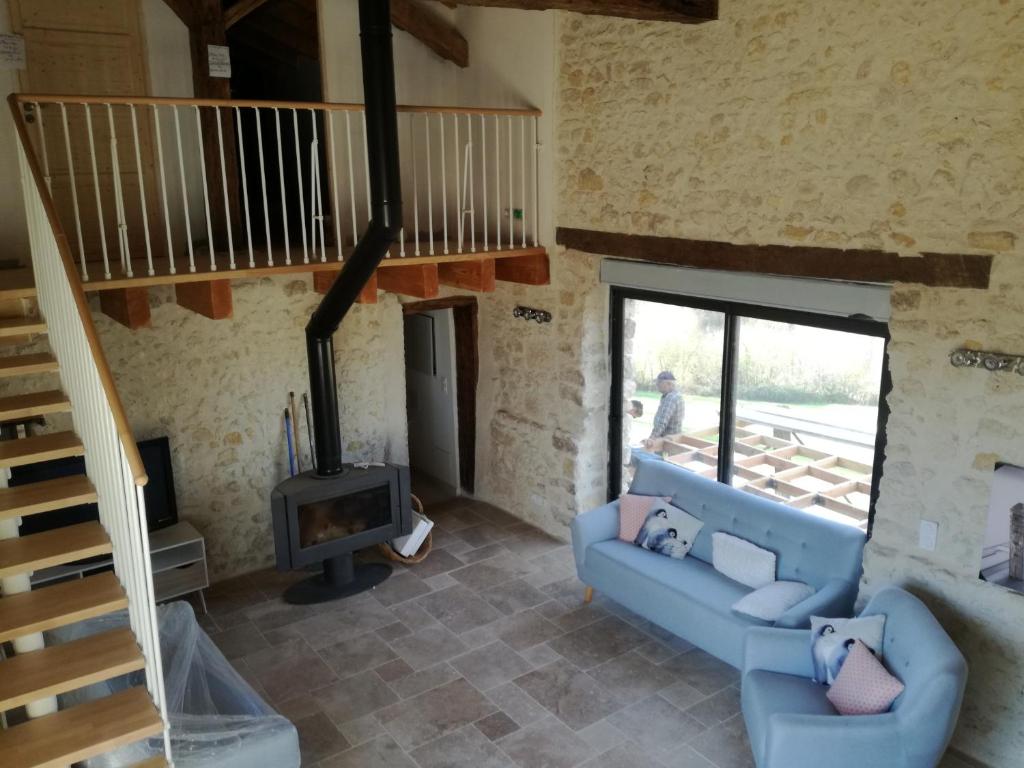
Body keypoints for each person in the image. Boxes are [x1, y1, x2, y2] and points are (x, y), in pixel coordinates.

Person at [644, 371, 684, 449]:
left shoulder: (671, 398)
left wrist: (652, 438)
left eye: (659, 383)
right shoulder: (673, 395)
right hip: (671, 437)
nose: (657, 385)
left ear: (669, 384)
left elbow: (662, 421)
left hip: (668, 440)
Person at [622, 399, 644, 466]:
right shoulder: (627, 417)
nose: (633, 418)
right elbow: (625, 438)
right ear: (633, 409)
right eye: (634, 416)